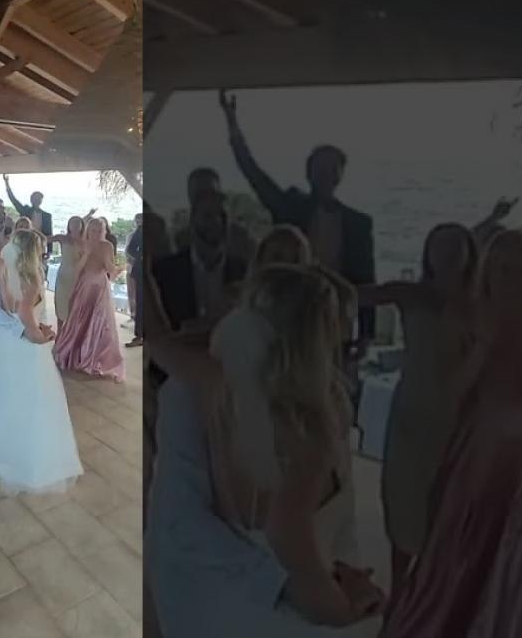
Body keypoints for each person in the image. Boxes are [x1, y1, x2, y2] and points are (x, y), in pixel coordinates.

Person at [147, 265, 384, 637]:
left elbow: (159, 343)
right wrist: (338, 609)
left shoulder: (212, 389)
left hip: (225, 599)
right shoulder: (309, 428)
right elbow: (286, 532)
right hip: (290, 595)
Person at [382, 228, 522, 636]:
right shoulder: (471, 314)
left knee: (515, 554)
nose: (513, 279)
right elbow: (452, 393)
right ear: (488, 270)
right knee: (461, 549)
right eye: (504, 269)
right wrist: (483, 344)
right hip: (479, 450)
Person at [354, 223, 478, 586]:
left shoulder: (481, 305)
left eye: (455, 245)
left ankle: (437, 595)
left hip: (457, 421)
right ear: (428, 252)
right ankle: (400, 590)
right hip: (410, 414)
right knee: (402, 501)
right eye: (439, 244)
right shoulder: (409, 293)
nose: (447, 252)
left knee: (449, 508)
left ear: (470, 253)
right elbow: (356, 296)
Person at [220, 90, 375, 355]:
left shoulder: (358, 224)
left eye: (332, 168)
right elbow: (253, 174)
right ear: (308, 173)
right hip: (287, 316)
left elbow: (365, 277)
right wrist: (232, 124)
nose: (325, 174)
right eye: (320, 168)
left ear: (340, 175)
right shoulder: (289, 206)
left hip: (335, 320)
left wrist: (367, 335)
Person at [0, 230, 82, 494]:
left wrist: (36, 326)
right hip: (25, 346)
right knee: (32, 401)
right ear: (33, 252)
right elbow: (24, 314)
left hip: (6, 344)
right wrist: (39, 336)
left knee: (6, 395)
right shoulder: (31, 279)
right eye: (41, 248)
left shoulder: (1, 268)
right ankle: (25, 457)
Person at [152, 189, 248, 333]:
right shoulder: (165, 271)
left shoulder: (244, 272)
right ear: (192, 220)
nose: (216, 222)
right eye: (207, 216)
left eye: (222, 216)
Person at [52, 218, 125, 380]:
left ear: (103, 231)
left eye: (99, 231)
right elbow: (77, 269)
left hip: (101, 286)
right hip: (85, 285)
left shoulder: (107, 245)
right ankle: (76, 355)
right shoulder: (83, 244)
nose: (96, 234)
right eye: (93, 230)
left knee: (100, 321)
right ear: (88, 231)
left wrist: (116, 269)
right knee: (80, 320)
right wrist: (87, 253)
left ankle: (97, 358)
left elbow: (109, 267)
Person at [49, 216, 87, 326]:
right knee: (61, 303)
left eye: (77, 223)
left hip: (78, 277)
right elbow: (46, 239)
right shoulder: (63, 238)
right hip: (63, 275)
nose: (74, 226)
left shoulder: (86, 241)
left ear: (82, 226)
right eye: (72, 223)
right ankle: (60, 333)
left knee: (76, 305)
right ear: (68, 226)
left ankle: (73, 333)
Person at [2, 175, 53, 244]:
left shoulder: (47, 216)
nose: (36, 200)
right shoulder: (25, 210)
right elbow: (14, 200)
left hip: (39, 245)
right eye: (35, 198)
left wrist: (49, 249)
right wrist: (6, 183)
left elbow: (49, 236)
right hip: (24, 243)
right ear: (31, 200)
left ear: (41, 201)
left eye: (38, 199)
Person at [126, 213, 144, 347]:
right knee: (141, 303)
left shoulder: (159, 225)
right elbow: (131, 249)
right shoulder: (140, 230)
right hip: (141, 270)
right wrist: (141, 256)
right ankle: (139, 336)